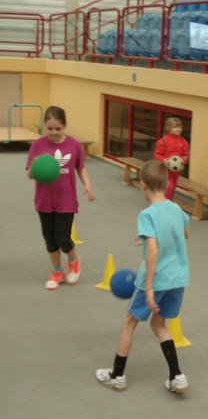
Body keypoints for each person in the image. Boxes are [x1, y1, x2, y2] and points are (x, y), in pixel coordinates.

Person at [95, 159, 190, 394]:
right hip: (177, 279)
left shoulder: (146, 215)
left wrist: (148, 288)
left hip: (156, 280)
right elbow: (184, 233)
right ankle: (177, 376)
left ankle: (117, 376)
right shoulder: (176, 209)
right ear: (167, 184)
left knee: (129, 322)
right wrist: (148, 238)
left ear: (143, 185)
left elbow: (154, 251)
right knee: (159, 325)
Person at [26, 105, 95, 290]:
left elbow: (80, 167)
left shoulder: (74, 145)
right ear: (44, 126)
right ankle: (57, 272)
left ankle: (73, 261)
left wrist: (87, 185)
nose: (54, 132)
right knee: (49, 239)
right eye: (49, 128)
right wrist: (38, 165)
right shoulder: (37, 146)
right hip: (44, 201)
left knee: (63, 237)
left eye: (58, 128)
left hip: (66, 199)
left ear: (65, 125)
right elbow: (29, 174)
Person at [153, 117, 189, 200]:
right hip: (165, 169)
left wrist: (182, 162)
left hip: (176, 170)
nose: (178, 129)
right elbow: (157, 154)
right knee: (170, 186)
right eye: (175, 127)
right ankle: (166, 202)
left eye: (179, 127)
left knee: (172, 187)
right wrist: (164, 160)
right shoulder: (163, 141)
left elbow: (185, 155)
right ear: (168, 128)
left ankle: (167, 201)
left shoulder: (184, 142)